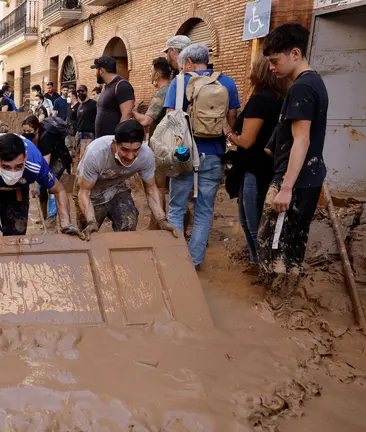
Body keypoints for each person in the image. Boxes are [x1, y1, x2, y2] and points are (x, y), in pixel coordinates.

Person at [257, 23, 328, 306]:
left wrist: (285, 187)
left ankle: (277, 303)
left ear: (295, 53)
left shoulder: (302, 87)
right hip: (307, 177)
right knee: (293, 240)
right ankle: (284, 299)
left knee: (275, 241)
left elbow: (301, 140)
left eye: (275, 60)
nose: (272, 67)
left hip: (294, 181)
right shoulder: (314, 83)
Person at [163, 43, 241, 270]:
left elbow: (170, 119)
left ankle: (175, 261)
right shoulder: (227, 82)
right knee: (204, 210)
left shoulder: (179, 82)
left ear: (187, 62)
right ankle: (194, 262)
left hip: (183, 155)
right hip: (214, 155)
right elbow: (232, 118)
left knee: (176, 208)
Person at [0, 133, 83, 244]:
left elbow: (59, 190)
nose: (12, 172)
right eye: (6, 166)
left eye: (18, 166)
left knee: (16, 235)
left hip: (18, 189)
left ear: (25, 157)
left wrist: (66, 225)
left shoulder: (35, 163)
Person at [225, 55, 285, 272]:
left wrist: (230, 134)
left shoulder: (261, 99)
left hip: (254, 169)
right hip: (266, 167)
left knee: (252, 222)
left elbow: (247, 141)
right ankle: (257, 262)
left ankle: (261, 265)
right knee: (253, 219)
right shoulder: (279, 98)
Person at [74, 120, 177, 240]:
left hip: (117, 186)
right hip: (91, 190)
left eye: (135, 150)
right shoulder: (96, 154)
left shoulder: (145, 155)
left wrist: (161, 220)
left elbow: (151, 188)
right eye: (125, 150)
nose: (130, 156)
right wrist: (91, 221)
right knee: (88, 234)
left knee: (128, 222)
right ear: (115, 143)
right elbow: (84, 192)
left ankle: (120, 255)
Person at [132, 57, 173, 228]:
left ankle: (156, 225)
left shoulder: (162, 92)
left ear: (156, 73)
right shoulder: (174, 88)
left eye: (150, 71)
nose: (150, 75)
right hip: (174, 146)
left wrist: (133, 111)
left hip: (161, 148)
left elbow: (146, 121)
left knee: (158, 187)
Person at [21, 115, 72, 225]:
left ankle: (52, 217)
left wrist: (37, 185)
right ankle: (44, 217)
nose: (26, 133)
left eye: (29, 131)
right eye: (24, 130)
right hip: (45, 160)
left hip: (59, 159)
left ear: (37, 129)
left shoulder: (45, 138)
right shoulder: (26, 138)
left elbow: (45, 166)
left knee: (51, 185)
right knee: (42, 190)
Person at [91, 56, 135, 138]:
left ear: (101, 70)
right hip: (101, 141)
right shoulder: (105, 87)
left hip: (112, 141)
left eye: (96, 70)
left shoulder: (122, 85)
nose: (95, 74)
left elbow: (127, 115)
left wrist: (118, 139)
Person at [74, 84, 97, 160]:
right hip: (80, 134)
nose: (80, 93)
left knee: (86, 158)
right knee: (78, 157)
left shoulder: (93, 104)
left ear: (86, 92)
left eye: (82, 91)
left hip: (89, 135)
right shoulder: (80, 105)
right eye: (78, 92)